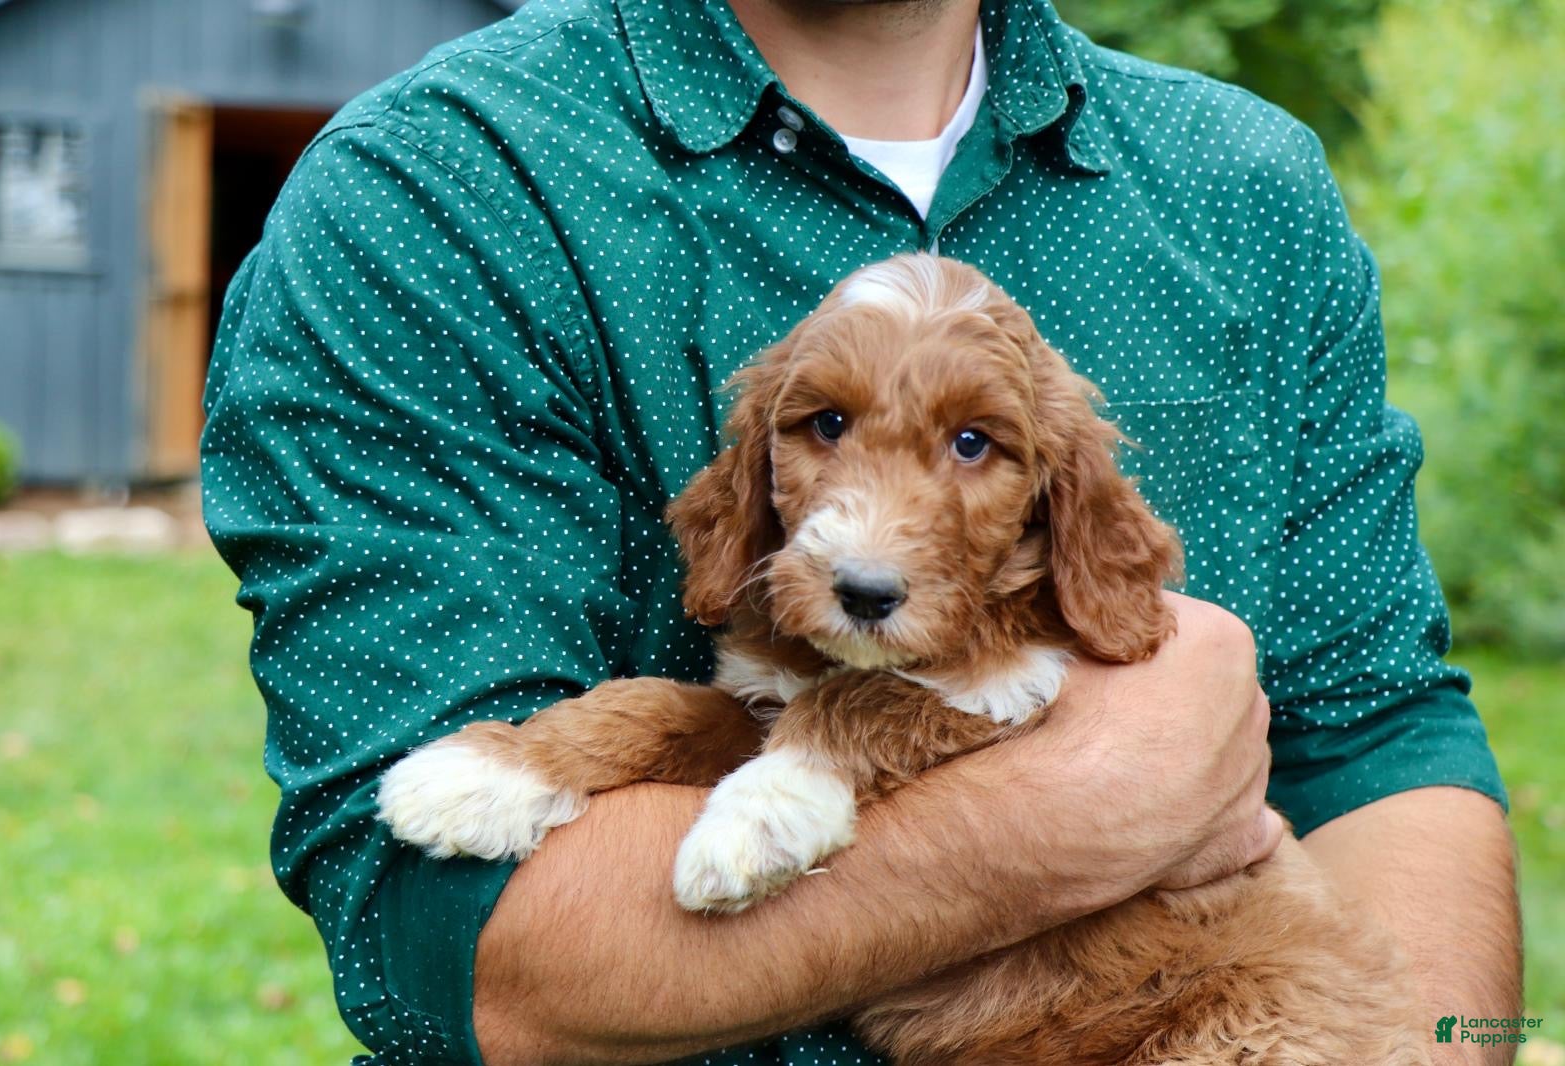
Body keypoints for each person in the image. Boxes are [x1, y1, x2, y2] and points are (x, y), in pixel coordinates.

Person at [199, 1, 1519, 1063]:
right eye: (821, 429)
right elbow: (459, 943)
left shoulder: (1256, 194)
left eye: (974, 447)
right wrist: (1083, 803)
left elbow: (1380, 738)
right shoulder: (432, 195)